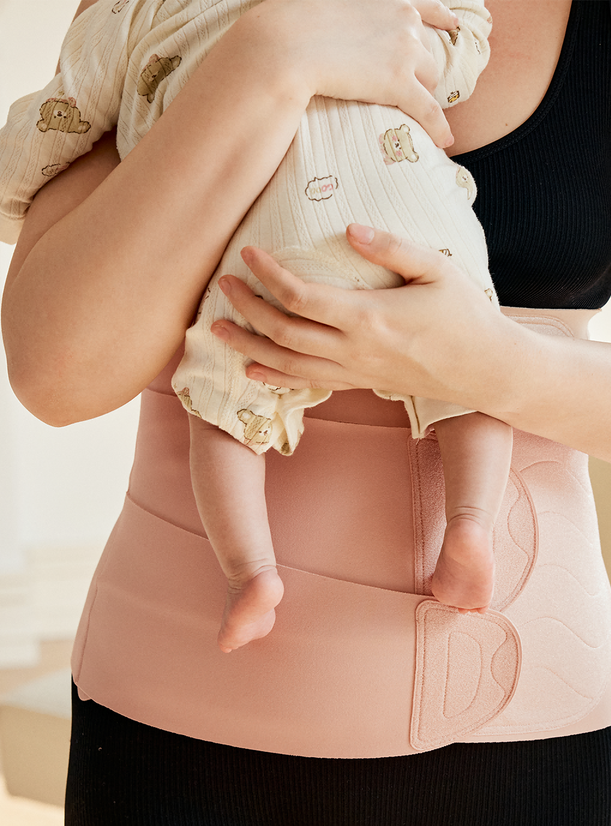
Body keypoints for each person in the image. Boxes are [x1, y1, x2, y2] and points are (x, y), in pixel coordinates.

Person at [3, 0, 611, 826]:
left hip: (532, 773)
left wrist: (494, 364)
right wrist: (267, 58)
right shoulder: (167, 10)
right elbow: (54, 371)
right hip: (182, 764)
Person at [0, 0, 510, 652]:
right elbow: (457, 51)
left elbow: (59, 118)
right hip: (407, 217)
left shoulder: (139, 9)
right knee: (475, 369)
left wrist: (11, 194)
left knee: (222, 400)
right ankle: (470, 523)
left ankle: (251, 571)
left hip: (273, 249)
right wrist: (427, 64)